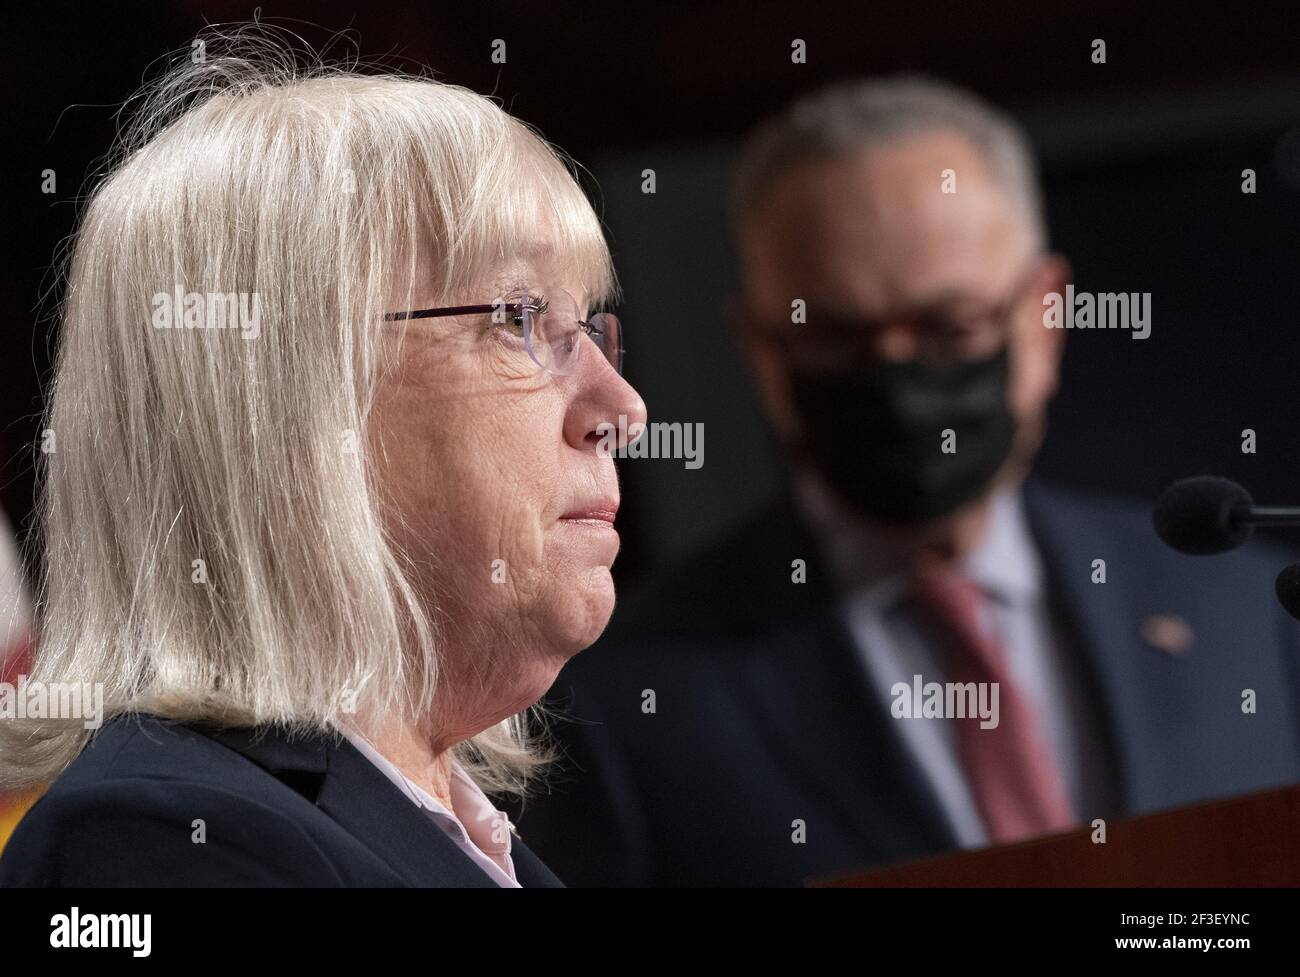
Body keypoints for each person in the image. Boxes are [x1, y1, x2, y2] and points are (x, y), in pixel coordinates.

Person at [512, 76, 1300, 886]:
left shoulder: (1251, 609)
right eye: (836, 335)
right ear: (761, 351)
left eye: (949, 326)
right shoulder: (620, 695)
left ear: (1045, 318)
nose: (895, 377)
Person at [0, 30, 645, 887]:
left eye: (589, 328)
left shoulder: (465, 835)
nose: (621, 411)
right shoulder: (158, 843)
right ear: (286, 402)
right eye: (520, 318)